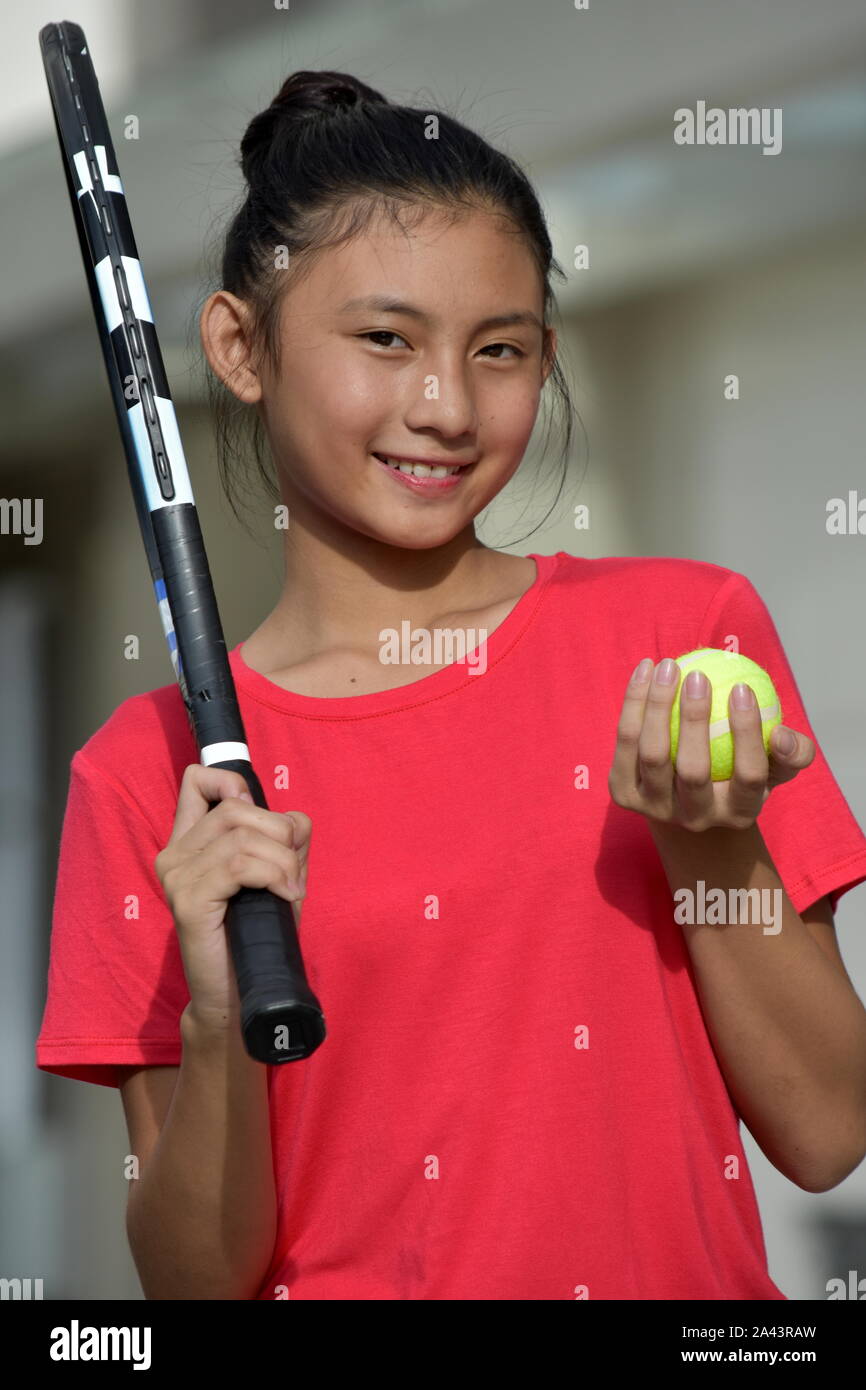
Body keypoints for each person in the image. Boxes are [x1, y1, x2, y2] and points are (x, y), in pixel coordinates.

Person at [36, 71, 866, 1301]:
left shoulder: (680, 636)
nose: (446, 406)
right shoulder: (147, 772)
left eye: (500, 351)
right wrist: (218, 1022)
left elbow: (826, 1130)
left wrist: (710, 848)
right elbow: (193, 1287)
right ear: (236, 346)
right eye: (385, 339)